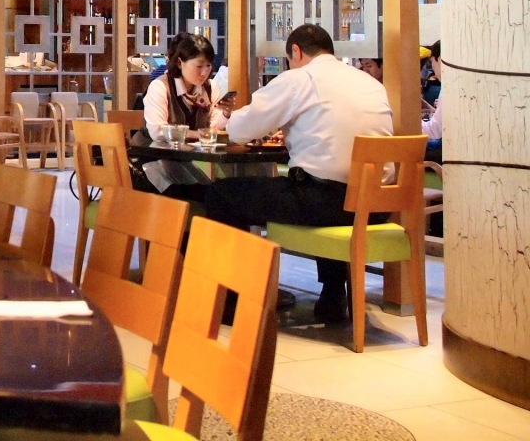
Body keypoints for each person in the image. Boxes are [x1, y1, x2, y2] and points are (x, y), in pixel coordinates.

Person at [205, 24, 393, 323]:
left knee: (223, 194)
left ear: (296, 51)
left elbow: (240, 130)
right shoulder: (369, 83)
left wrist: (234, 118)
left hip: (328, 203)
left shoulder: (300, 78)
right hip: (377, 206)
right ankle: (333, 294)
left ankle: (232, 301)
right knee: (320, 180)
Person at [138, 33, 231, 201]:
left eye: (208, 65)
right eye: (199, 66)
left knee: (215, 193)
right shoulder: (160, 87)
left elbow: (214, 130)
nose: (205, 72)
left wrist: (226, 114)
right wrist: (200, 134)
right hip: (151, 162)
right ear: (180, 63)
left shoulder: (210, 88)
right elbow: (157, 132)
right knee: (208, 196)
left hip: (181, 161)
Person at [422, 40, 443, 163]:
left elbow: (435, 130)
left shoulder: (450, 88)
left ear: (440, 60)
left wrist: (409, 123)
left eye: (432, 62)